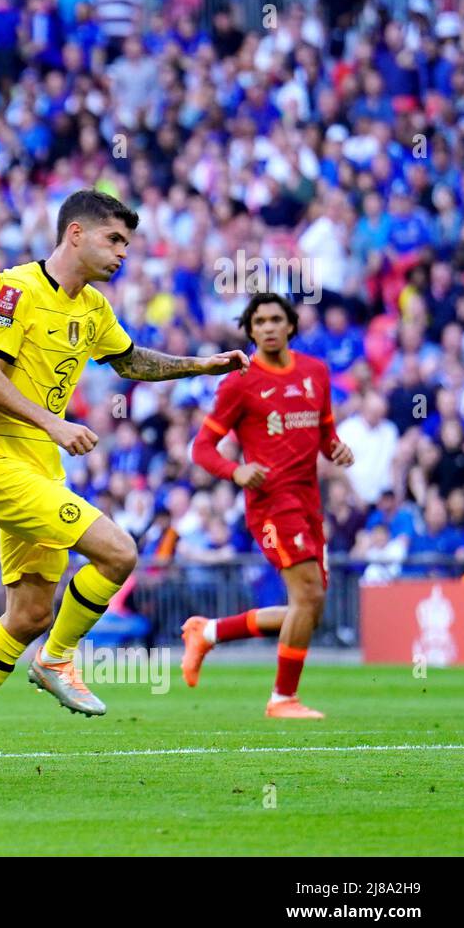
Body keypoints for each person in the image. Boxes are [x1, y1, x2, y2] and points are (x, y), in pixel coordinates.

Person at [0, 189, 250, 779]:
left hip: (42, 466)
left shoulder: (92, 308)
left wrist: (202, 365)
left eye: (127, 243)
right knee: (120, 552)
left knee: (27, 613)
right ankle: (57, 661)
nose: (122, 253)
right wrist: (53, 421)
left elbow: (129, 362)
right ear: (76, 233)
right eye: (113, 239)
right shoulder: (18, 289)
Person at [186, 292, 354, 718]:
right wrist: (235, 471)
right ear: (251, 330)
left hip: (309, 503)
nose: (268, 327)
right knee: (308, 595)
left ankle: (208, 632)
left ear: (291, 325)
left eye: (276, 319)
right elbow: (202, 448)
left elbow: (325, 434)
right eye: (259, 322)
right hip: (271, 505)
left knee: (308, 610)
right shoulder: (240, 382)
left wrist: (337, 449)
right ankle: (283, 699)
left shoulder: (316, 373)